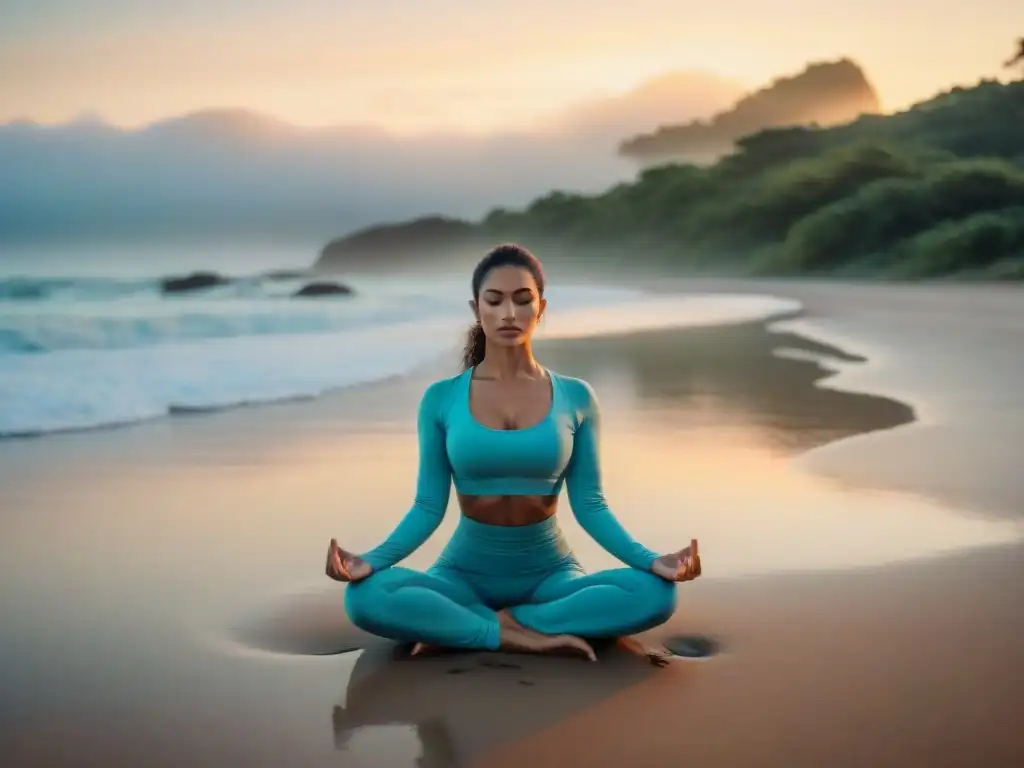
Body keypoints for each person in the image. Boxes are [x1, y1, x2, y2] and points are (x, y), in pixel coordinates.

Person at [325, 244, 701, 661]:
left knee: (654, 595)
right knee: (365, 597)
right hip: (462, 575)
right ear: (476, 308)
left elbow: (590, 503)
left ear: (541, 309)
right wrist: (370, 561)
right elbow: (427, 505)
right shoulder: (441, 399)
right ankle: (508, 631)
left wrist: (653, 561)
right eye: (494, 300)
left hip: (550, 577)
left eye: (523, 301)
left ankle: (472, 624)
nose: (508, 314)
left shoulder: (576, 396)